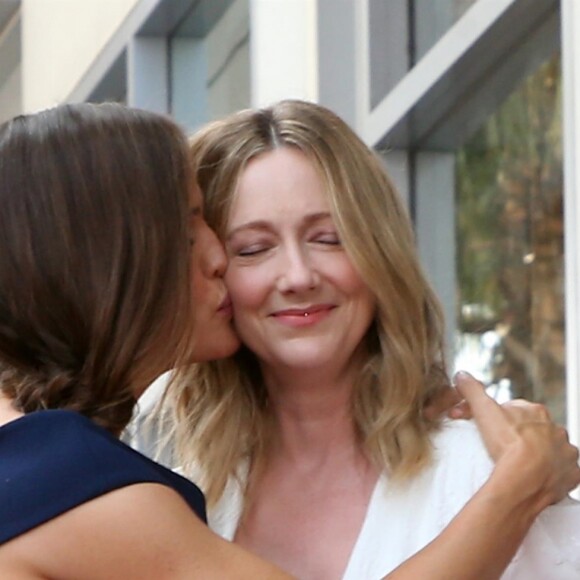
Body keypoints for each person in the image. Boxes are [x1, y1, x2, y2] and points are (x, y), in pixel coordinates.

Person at [0, 103, 576, 580]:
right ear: (112, 263)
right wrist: (520, 484)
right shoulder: (78, 476)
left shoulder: (467, 465)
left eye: (328, 238)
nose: (216, 256)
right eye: (245, 246)